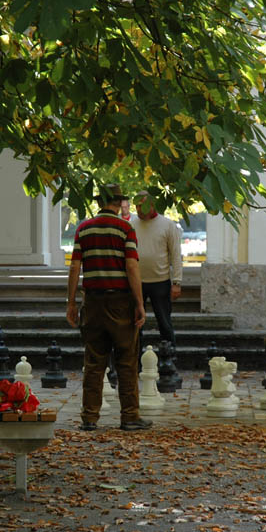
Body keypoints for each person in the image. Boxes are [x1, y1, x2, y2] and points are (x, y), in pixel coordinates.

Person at [66, 184, 152, 432]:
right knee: (126, 360)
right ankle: (130, 416)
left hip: (92, 302)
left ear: (100, 202)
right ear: (119, 203)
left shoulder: (83, 229)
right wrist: (138, 303)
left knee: (94, 361)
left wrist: (71, 303)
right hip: (120, 302)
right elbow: (132, 268)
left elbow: (74, 268)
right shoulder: (125, 229)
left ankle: (89, 417)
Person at [130, 192, 183, 349]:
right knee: (135, 324)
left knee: (164, 323)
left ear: (152, 204)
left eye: (142, 205)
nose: (139, 209)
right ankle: (135, 361)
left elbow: (175, 255)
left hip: (160, 282)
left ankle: (170, 357)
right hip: (136, 282)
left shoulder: (168, 225)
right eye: (137, 206)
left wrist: (177, 282)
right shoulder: (131, 225)